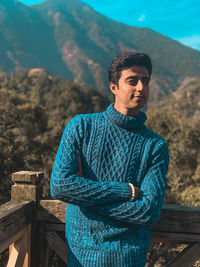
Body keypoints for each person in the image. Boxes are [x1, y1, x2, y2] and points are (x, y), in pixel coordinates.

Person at [50, 51, 169, 267]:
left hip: (128, 258)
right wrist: (125, 191)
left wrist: (85, 198)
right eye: (132, 81)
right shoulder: (81, 127)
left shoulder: (155, 145)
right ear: (113, 87)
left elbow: (148, 211)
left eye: (145, 81)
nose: (141, 88)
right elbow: (60, 186)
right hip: (81, 256)